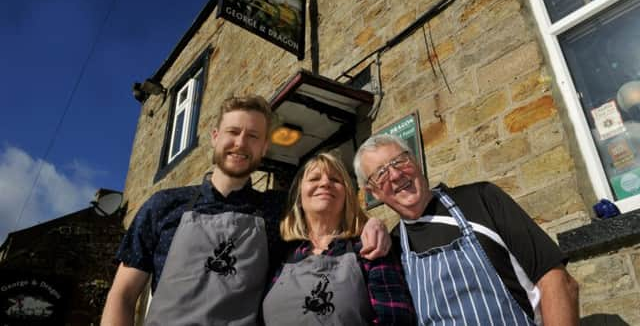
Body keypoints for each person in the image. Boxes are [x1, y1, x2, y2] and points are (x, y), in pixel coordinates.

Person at [101, 95, 390, 326]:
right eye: (233, 132)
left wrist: (371, 223)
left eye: (253, 136)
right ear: (215, 136)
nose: (240, 143)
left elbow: (327, 211)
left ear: (264, 147)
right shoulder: (163, 205)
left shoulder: (277, 210)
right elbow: (123, 296)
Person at [353, 134, 580, 326]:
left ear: (416, 161)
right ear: (372, 192)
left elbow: (556, 280)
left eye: (399, 161)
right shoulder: (393, 248)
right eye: (381, 173)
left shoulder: (481, 200)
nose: (395, 175)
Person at [262, 152, 416, 325]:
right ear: (299, 196)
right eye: (314, 179)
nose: (325, 183)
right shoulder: (279, 253)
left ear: (347, 195)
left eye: (335, 180)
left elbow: (396, 319)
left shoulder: (369, 248)